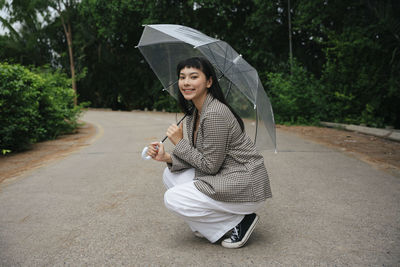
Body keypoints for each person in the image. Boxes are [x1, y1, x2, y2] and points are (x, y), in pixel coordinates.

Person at [146, 57, 272, 248]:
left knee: (173, 198)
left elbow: (210, 166)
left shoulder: (214, 114)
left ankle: (239, 222)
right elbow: (201, 157)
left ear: (209, 82)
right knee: (170, 174)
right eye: (182, 77)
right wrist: (168, 157)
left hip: (244, 184)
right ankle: (207, 225)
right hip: (225, 174)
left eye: (194, 76)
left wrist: (179, 143)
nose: (186, 82)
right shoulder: (195, 112)